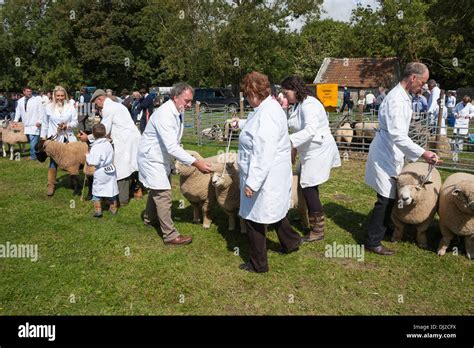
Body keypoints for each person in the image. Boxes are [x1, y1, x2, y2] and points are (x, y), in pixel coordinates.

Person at [365, 62, 439, 256]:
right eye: (422, 82)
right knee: (384, 198)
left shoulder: (402, 96)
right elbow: (398, 136)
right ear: (413, 78)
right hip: (386, 151)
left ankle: (386, 227)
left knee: (390, 195)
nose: (423, 86)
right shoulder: (397, 100)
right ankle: (373, 241)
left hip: (391, 150)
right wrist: (424, 153)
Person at [232, 72, 302, 273]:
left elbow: (263, 152)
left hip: (264, 175)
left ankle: (258, 264)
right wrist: (242, 124)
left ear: (254, 93)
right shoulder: (268, 108)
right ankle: (291, 242)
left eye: (247, 94)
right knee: (273, 211)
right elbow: (256, 125)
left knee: (254, 218)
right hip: (271, 174)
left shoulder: (269, 112)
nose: (246, 98)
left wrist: (252, 183)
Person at [138, 82, 211, 246]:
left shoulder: (177, 110)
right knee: (164, 193)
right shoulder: (165, 114)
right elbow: (171, 146)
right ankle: (170, 235)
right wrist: (195, 163)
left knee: (157, 188)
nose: (189, 104)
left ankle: (150, 218)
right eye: (186, 101)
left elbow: (172, 143)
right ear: (175, 97)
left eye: (191, 101)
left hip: (160, 157)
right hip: (152, 158)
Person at [281, 75, 341, 242]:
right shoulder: (299, 104)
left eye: (287, 93)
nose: (286, 97)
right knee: (307, 183)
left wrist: (289, 143)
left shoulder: (310, 105)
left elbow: (310, 131)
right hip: (309, 150)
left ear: (295, 89)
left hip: (318, 150)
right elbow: (296, 127)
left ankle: (317, 230)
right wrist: (294, 148)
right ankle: (307, 216)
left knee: (308, 185)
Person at [79, 89, 141, 206]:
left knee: (122, 169)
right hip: (133, 138)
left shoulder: (109, 108)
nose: (97, 106)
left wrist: (88, 138)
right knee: (132, 165)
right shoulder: (118, 106)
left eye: (96, 103)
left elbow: (104, 130)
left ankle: (122, 200)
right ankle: (136, 190)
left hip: (124, 141)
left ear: (100, 99)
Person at [40, 86, 79, 196]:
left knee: (72, 161)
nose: (60, 98)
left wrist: (67, 125)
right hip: (55, 139)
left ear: (65, 95)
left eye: (62, 95)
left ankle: (74, 182)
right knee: (53, 162)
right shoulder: (48, 107)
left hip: (68, 137)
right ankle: (51, 185)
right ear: (54, 96)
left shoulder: (70, 107)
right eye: (58, 96)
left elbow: (75, 122)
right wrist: (43, 138)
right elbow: (45, 123)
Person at [86, 123, 119, 218]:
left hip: (101, 171)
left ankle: (98, 210)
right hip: (110, 169)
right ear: (105, 133)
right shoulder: (108, 144)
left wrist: (88, 156)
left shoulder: (96, 147)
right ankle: (113, 208)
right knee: (110, 188)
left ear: (93, 134)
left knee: (97, 190)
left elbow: (94, 161)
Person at [14, 86, 44, 160]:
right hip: (26, 125)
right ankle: (39, 153)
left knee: (33, 142)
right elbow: (18, 112)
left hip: (35, 124)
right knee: (31, 142)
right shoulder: (20, 101)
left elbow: (41, 111)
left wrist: (39, 121)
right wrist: (15, 121)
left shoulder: (36, 100)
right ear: (23, 92)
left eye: (30, 91)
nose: (29, 93)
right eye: (27, 91)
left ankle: (33, 156)